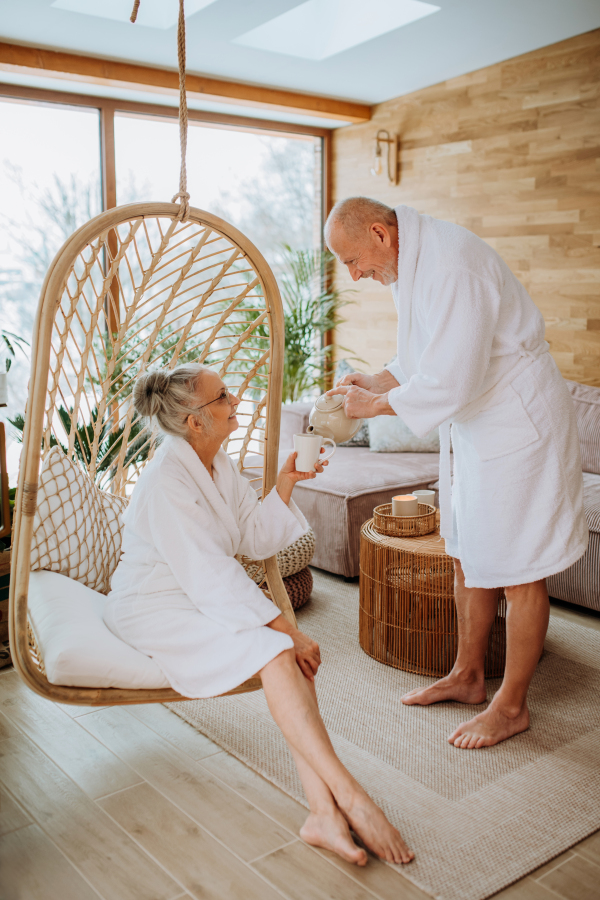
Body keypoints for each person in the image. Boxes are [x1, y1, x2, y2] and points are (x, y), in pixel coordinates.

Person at [103, 363, 414, 867]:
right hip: (155, 606)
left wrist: (287, 481)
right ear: (194, 422)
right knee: (281, 647)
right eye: (222, 396)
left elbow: (251, 538)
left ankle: (324, 813)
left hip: (200, 597)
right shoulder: (166, 481)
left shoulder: (216, 463)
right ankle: (348, 795)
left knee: (283, 653)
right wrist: (286, 628)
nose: (235, 401)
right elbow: (208, 573)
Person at [325, 197, 588, 750]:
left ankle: (512, 705)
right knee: (468, 552)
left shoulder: (452, 264)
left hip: (519, 425)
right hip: (478, 428)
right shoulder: (410, 264)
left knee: (519, 569)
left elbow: (451, 380)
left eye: (353, 261)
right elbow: (424, 359)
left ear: (379, 232)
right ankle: (468, 677)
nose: (356, 274)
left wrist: (371, 409)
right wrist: (371, 381)